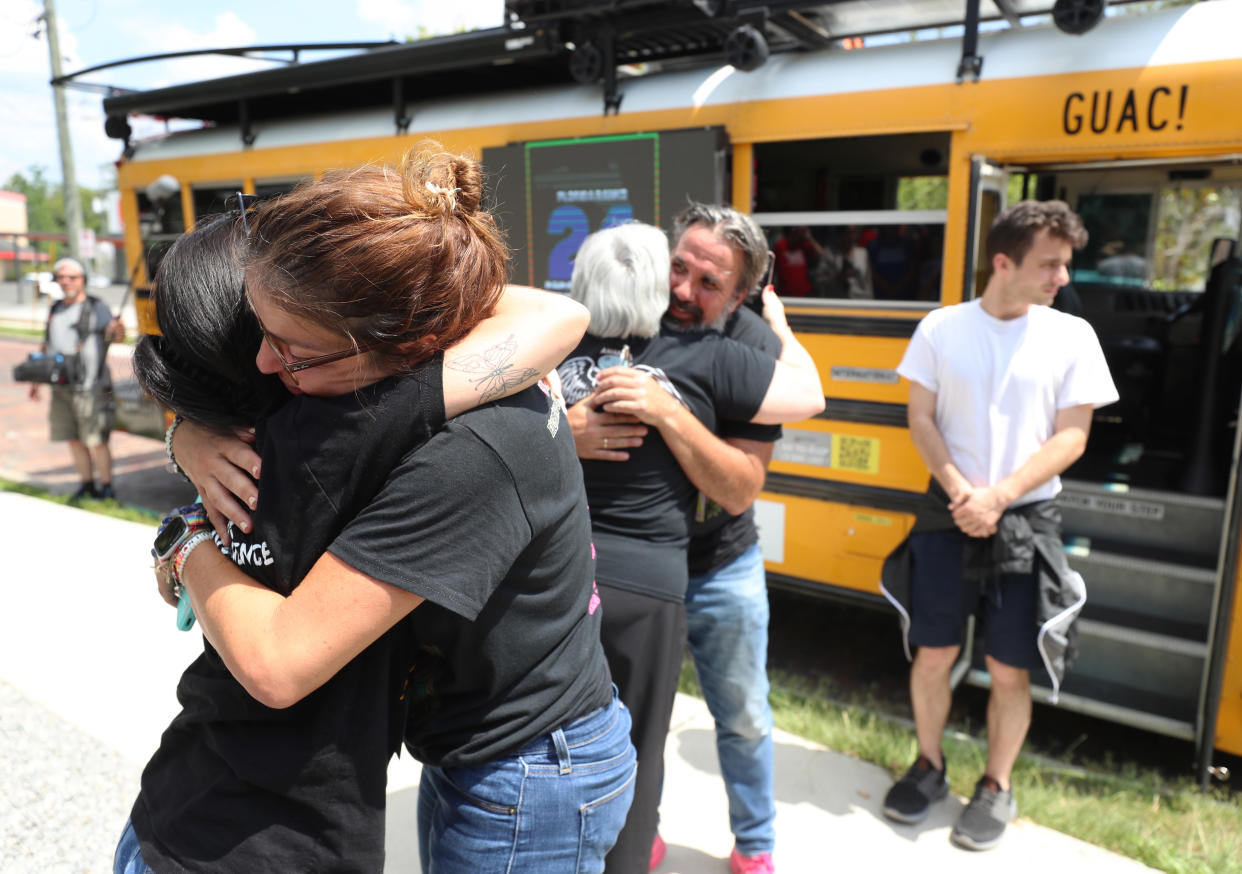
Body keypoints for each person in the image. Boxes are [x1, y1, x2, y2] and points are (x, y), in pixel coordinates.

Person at [117, 146, 635, 874]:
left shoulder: (446, 445)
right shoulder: (434, 353)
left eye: (291, 350)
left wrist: (182, 537)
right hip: (483, 742)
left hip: (531, 765)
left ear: (403, 342)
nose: (268, 366)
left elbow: (277, 661)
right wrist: (186, 432)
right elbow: (555, 310)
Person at [557, 223, 824, 874]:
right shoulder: (623, 323)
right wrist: (564, 429)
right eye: (677, 267)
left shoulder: (745, 345)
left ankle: (754, 842)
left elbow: (740, 489)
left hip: (719, 563)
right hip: (624, 570)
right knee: (620, 729)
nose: (682, 289)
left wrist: (668, 412)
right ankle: (636, 834)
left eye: (709, 283)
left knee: (743, 718)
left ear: (740, 297)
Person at [879, 200, 1118, 851]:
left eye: (1066, 264)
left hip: (1027, 518)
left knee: (1011, 667)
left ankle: (996, 786)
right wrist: (962, 491)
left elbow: (1073, 437)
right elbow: (921, 418)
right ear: (1003, 261)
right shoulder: (941, 328)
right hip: (948, 509)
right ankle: (928, 767)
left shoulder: (1072, 337)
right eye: (1051, 263)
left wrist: (1000, 496)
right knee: (933, 654)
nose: (1062, 277)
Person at [27, 257, 124, 500]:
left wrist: (118, 329)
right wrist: (36, 379)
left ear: (83, 280)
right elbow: (46, 343)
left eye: (72, 277)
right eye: (61, 277)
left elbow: (118, 337)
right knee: (72, 439)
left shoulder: (96, 307)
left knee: (96, 440)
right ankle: (86, 484)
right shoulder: (55, 308)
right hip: (60, 386)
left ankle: (107, 488)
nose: (66, 281)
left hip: (91, 386)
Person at [772, 225, 821, 297]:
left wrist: (810, 238)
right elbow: (773, 270)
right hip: (785, 293)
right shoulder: (780, 245)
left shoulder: (803, 245)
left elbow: (820, 254)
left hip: (804, 293)